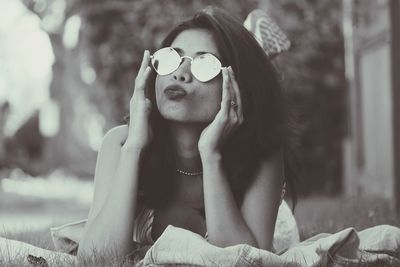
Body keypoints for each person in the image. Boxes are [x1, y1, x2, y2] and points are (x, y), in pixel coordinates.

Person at [76, 6, 295, 260]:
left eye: (205, 63)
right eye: (172, 58)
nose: (180, 73)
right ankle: (252, 43)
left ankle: (258, 50)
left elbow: (246, 261)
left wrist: (211, 155)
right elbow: (96, 260)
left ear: (236, 87)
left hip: (267, 223)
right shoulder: (121, 143)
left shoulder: (261, 151)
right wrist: (134, 148)